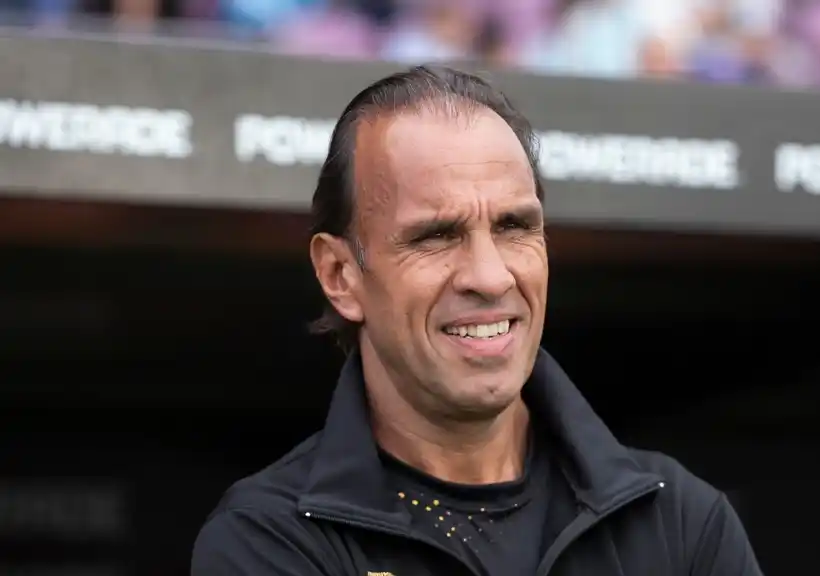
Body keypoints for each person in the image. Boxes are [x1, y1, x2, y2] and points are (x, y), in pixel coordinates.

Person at [191, 65, 763, 576]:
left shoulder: (681, 521)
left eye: (515, 227)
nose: (490, 277)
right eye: (436, 235)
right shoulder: (267, 541)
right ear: (340, 275)